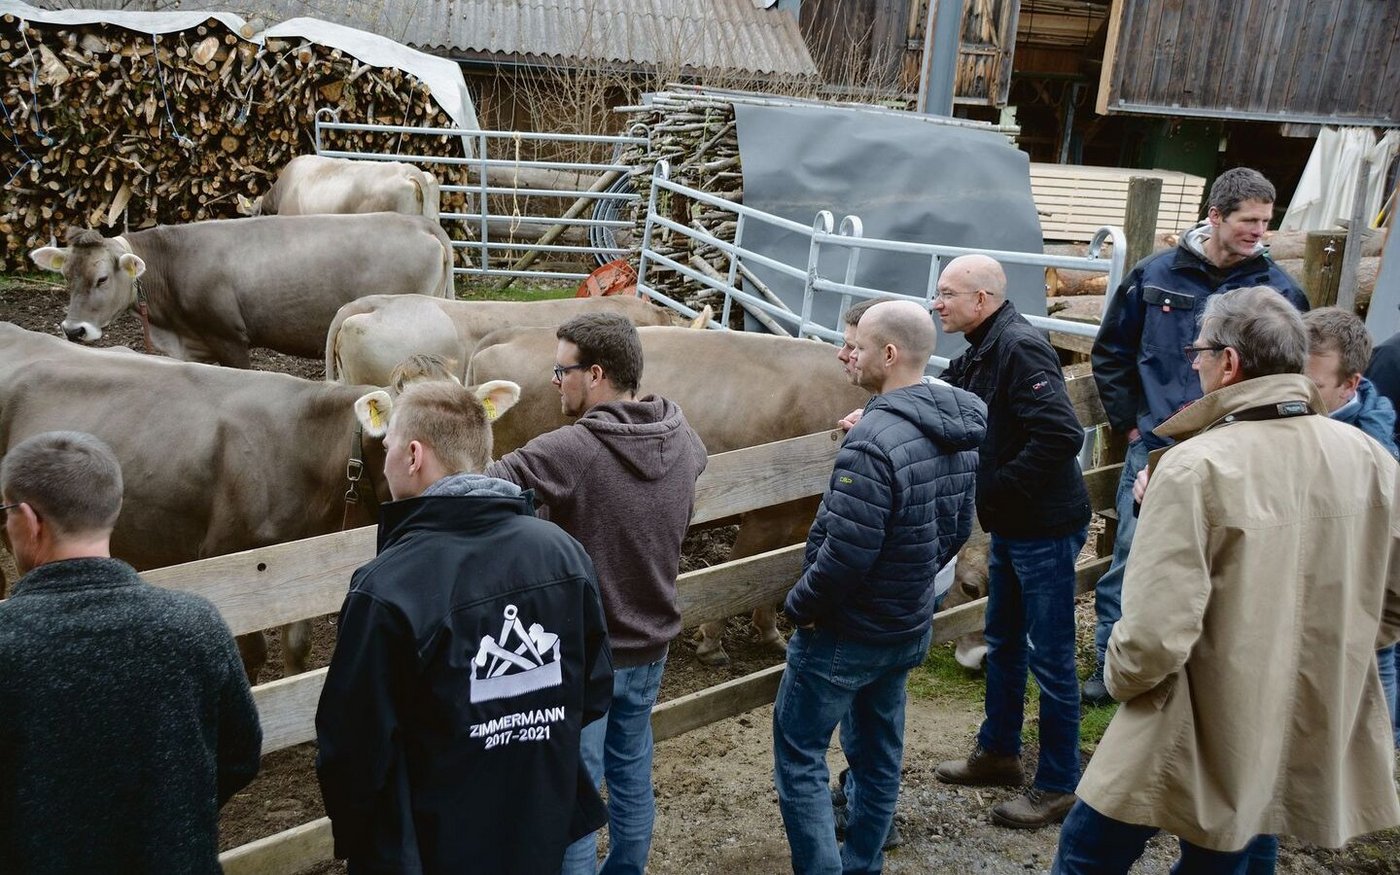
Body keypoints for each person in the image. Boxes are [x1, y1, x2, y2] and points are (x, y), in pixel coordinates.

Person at [1054, 286, 1400, 873]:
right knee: (1245, 837)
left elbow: (1154, 635)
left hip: (1188, 710)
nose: (1194, 364)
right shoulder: (1371, 460)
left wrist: (1120, 679)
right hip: (1297, 710)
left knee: (1088, 853)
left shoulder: (1196, 467)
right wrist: (1332, 652)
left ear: (1230, 362)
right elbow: (1391, 603)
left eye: (1199, 351)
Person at [316, 381, 613, 875]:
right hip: (537, 829)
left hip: (432, 845)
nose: (384, 463)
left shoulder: (386, 587)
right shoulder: (562, 552)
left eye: (388, 447)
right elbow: (594, 688)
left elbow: (352, 751)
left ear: (414, 455)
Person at [484, 312, 708, 875]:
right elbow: (699, 463)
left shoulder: (574, 449)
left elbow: (486, 484)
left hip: (588, 656)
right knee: (631, 770)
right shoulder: (680, 433)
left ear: (596, 374)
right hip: (653, 644)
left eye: (562, 371)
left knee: (574, 792)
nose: (554, 381)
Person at [774, 299, 985, 874]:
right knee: (879, 753)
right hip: (907, 624)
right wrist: (910, 582)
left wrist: (799, 607)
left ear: (888, 354)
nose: (848, 355)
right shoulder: (958, 428)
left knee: (799, 755)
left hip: (846, 633)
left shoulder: (872, 443)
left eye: (858, 346)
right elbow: (956, 529)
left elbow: (845, 555)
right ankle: (863, 862)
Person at [1085, 167, 1310, 705]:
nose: (1259, 231)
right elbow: (1111, 352)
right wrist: (1132, 424)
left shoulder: (1279, 291)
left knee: (1225, 559)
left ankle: (1200, 673)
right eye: (1248, 220)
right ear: (1215, 216)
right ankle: (1111, 665)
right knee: (1133, 554)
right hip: (1159, 446)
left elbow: (1293, 371)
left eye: (1266, 221)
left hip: (1241, 448)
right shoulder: (1154, 275)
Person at [0, 430, 262, 873]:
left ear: (28, 520)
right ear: (115, 506)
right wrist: (172, 816)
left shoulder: (7, 641)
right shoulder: (195, 624)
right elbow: (240, 756)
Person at [932, 254, 1091, 830]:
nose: (936, 303)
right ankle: (999, 752)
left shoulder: (1019, 348)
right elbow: (944, 396)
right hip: (1016, 525)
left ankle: (1058, 783)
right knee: (1002, 640)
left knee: (1051, 657)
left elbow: (1061, 434)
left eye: (947, 293)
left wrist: (997, 488)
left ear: (981, 299)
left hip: (1044, 527)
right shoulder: (981, 347)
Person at [1304, 307, 1400, 751]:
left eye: (1315, 386)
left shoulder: (1373, 450)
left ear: (1351, 384)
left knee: (1378, 662)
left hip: (1359, 591)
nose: (1302, 394)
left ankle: (1375, 752)